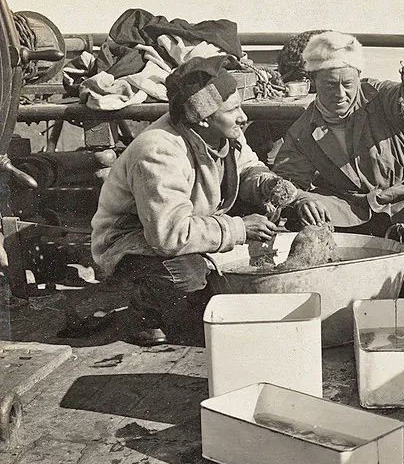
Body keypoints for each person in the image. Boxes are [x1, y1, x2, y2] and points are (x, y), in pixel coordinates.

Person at [91, 56, 293, 346]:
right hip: (129, 241)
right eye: (232, 110)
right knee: (187, 274)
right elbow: (169, 235)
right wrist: (238, 228)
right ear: (203, 116)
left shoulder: (223, 133)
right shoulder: (158, 151)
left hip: (183, 224)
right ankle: (143, 313)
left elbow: (246, 166)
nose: (243, 117)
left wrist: (266, 183)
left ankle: (197, 299)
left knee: (260, 211)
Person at [274, 31, 404, 297]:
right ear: (312, 81)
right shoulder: (302, 131)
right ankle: (348, 274)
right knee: (303, 217)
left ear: (358, 76)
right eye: (330, 85)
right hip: (350, 206)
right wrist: (302, 200)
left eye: (348, 84)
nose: (340, 94)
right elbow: (288, 181)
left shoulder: (379, 96)